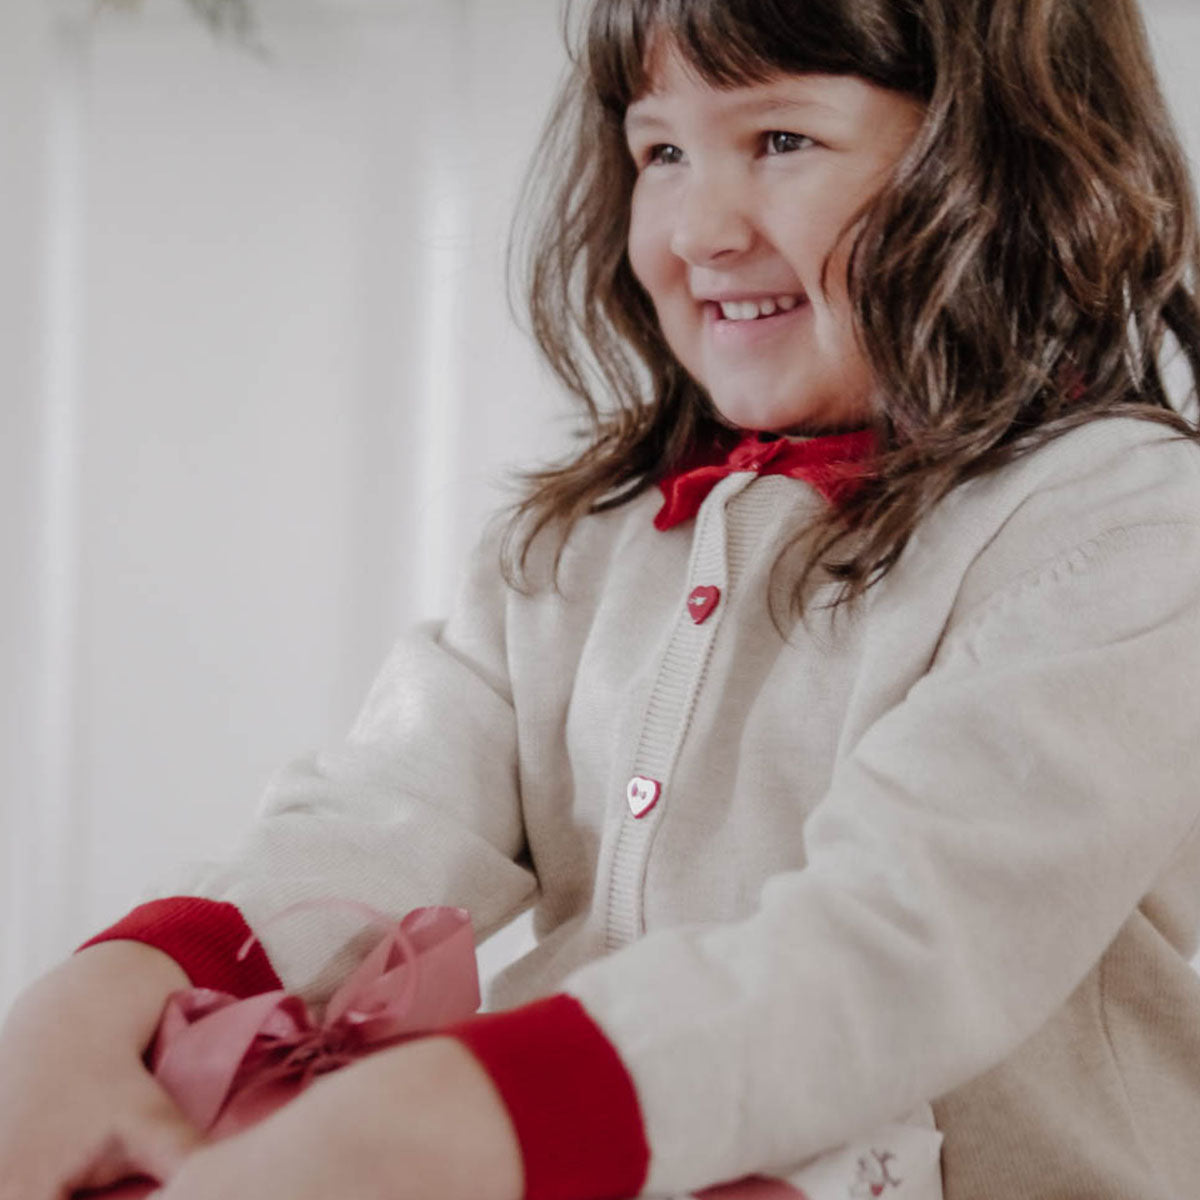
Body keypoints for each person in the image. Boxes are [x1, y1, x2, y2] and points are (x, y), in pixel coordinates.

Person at [4, 0, 1200, 1197]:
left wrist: (439, 1116)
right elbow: (382, 813)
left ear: (1005, 161)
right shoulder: (579, 542)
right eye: (661, 151)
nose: (701, 231)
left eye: (781, 140)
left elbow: (899, 943)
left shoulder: (1120, 530)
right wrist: (110, 995)